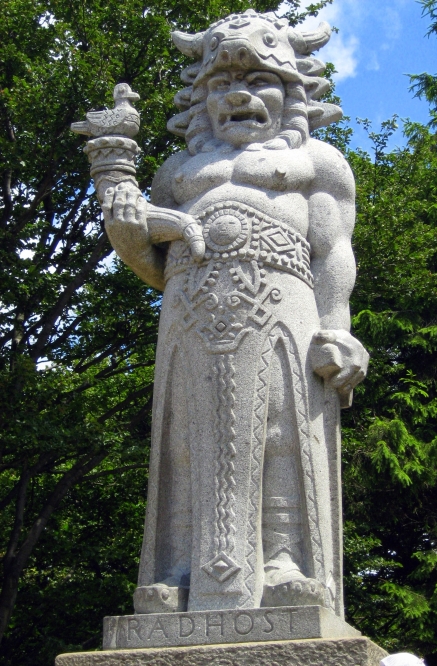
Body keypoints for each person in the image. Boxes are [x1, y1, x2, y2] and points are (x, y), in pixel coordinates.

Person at [101, 10, 369, 614]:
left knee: (281, 432)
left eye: (259, 81)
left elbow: (333, 252)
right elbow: (154, 265)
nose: (238, 95)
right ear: (201, 99)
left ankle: (285, 561)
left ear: (292, 92)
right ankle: (178, 569)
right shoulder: (177, 173)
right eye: (221, 83)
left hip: (286, 308)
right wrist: (128, 231)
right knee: (186, 441)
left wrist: (339, 330)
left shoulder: (318, 163)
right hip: (189, 312)